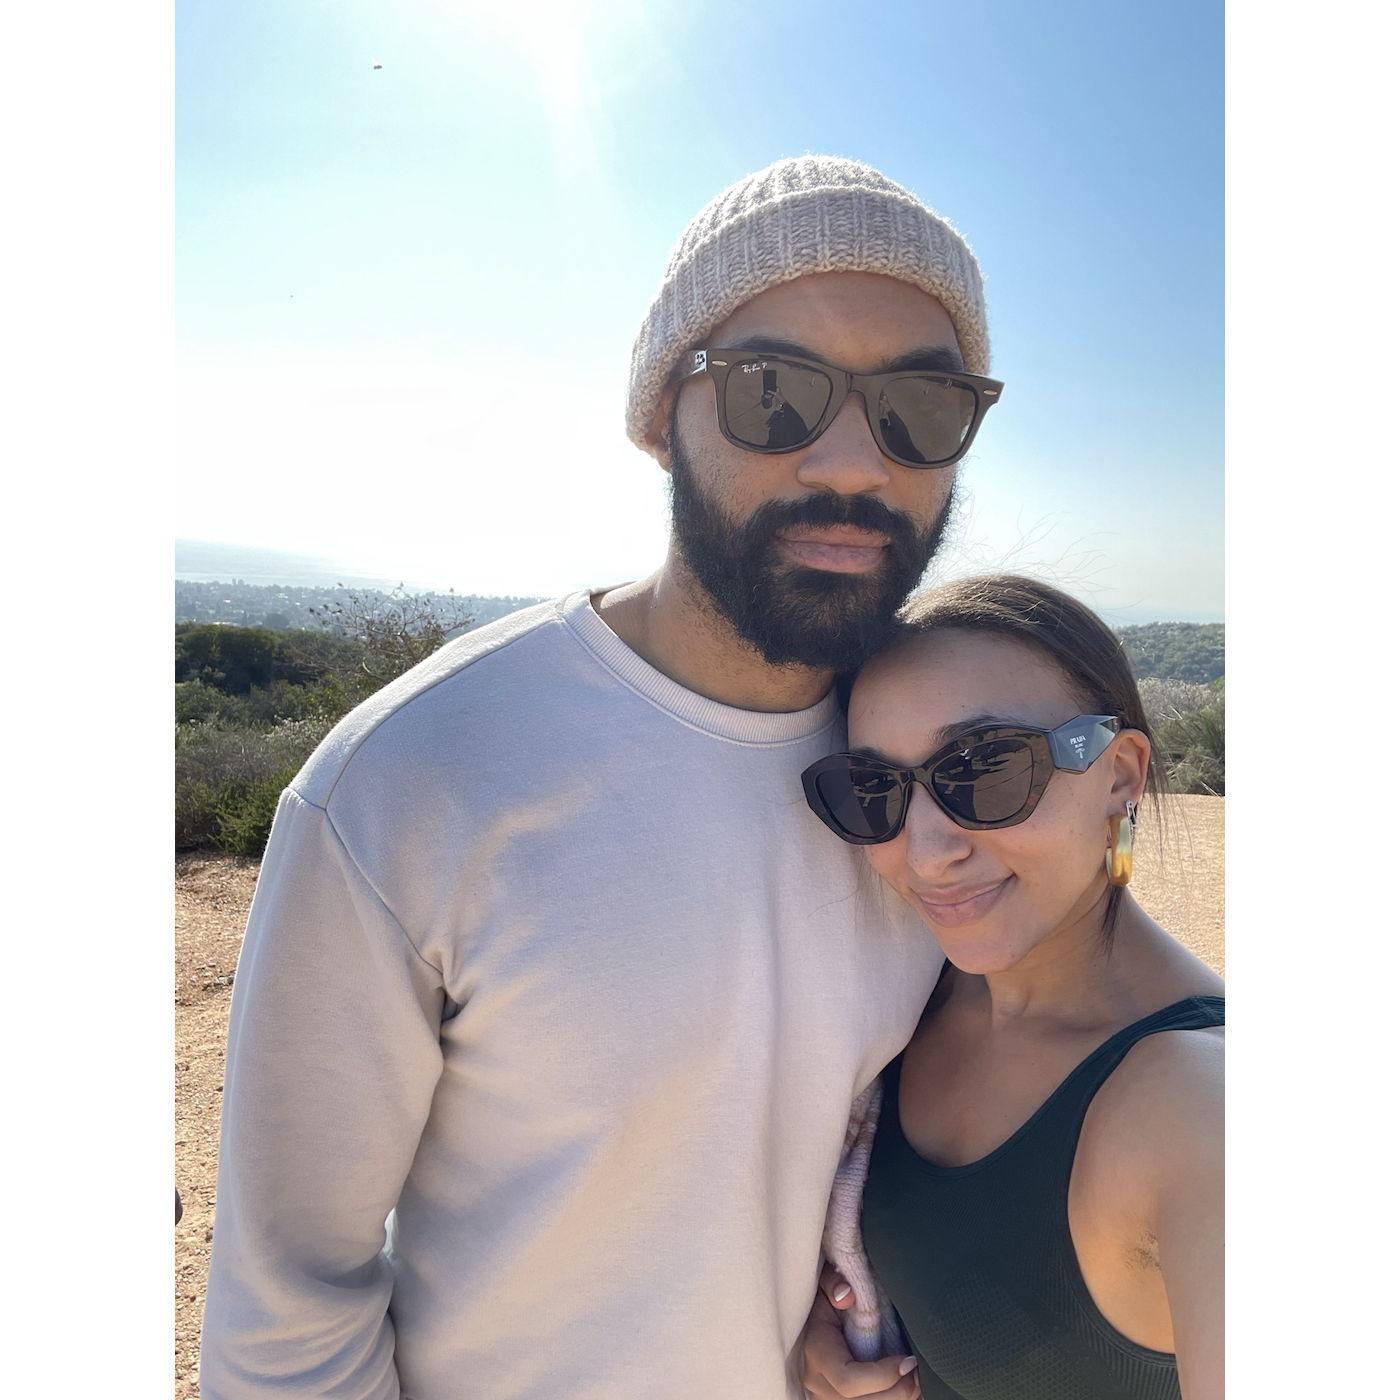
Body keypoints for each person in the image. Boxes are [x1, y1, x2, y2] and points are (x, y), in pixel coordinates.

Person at [198, 155, 1004, 1399]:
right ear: (659, 414)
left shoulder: (936, 783)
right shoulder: (414, 777)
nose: (852, 462)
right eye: (774, 391)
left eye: (921, 404)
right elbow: (288, 1306)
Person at [799, 575, 1224, 1400]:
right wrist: (834, 1324)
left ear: (1120, 775)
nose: (926, 852)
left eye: (986, 769)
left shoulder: (1202, 1107)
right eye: (875, 790)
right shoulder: (913, 998)